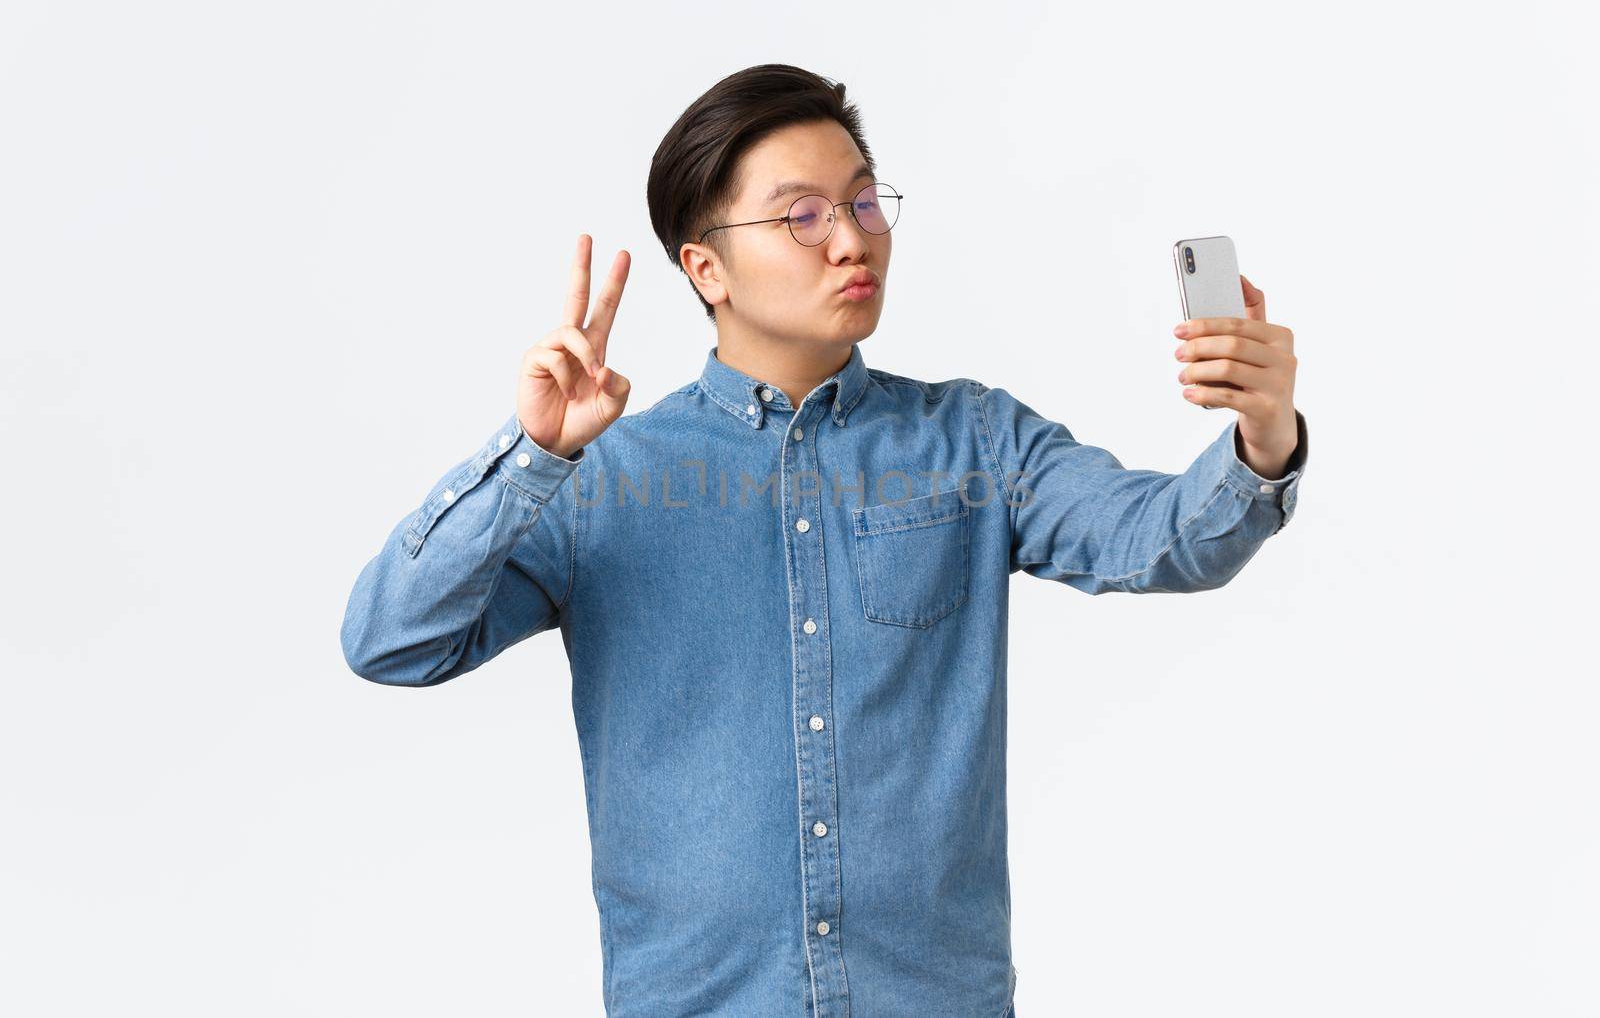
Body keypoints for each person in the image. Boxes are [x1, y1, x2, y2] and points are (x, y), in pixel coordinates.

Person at [340, 63, 1308, 1018]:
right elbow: (391, 638)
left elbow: (1163, 539)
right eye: (801, 216)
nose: (851, 240)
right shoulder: (603, 479)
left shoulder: (972, 441)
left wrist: (1261, 437)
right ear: (704, 267)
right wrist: (532, 455)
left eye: (863, 203)